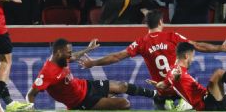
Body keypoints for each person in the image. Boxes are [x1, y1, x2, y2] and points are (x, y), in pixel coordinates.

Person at [79, 9, 226, 110]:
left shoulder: (141, 42)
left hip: (162, 94)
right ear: (161, 22)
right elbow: (197, 46)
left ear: (146, 25)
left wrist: (93, 62)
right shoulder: (173, 36)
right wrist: (221, 48)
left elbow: (116, 56)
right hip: (183, 92)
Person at [26, 38, 156, 110]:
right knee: (124, 103)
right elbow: (31, 94)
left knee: (122, 86)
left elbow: (74, 56)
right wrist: (31, 108)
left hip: (86, 86)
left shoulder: (61, 57)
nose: (70, 55)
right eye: (68, 52)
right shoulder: (47, 72)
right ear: (59, 52)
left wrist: (89, 49)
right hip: (81, 101)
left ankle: (156, 95)